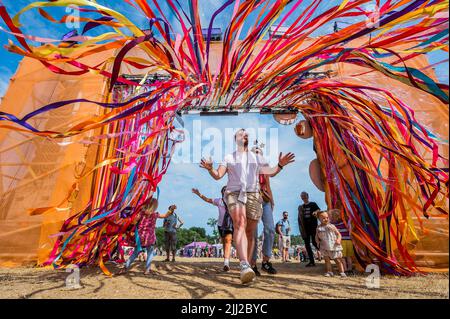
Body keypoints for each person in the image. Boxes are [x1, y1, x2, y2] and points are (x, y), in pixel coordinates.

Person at [200, 129, 295, 284]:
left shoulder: (256, 157)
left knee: (250, 232)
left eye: (246, 134)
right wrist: (210, 168)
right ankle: (243, 264)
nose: (245, 135)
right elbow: (218, 175)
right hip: (234, 193)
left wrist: (280, 165)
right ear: (235, 138)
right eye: (241, 133)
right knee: (240, 223)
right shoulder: (229, 157)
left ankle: (249, 266)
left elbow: (270, 172)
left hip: (253, 194)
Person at [118, 198, 173, 275]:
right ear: (155, 206)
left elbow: (134, 221)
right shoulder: (155, 214)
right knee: (150, 252)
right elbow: (165, 215)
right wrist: (171, 209)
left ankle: (125, 267)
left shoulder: (141, 213)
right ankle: (147, 269)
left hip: (140, 237)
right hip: (150, 237)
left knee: (135, 253)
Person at [250, 146, 278, 276]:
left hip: (265, 198)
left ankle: (266, 262)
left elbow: (268, 184)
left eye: (259, 152)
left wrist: (271, 200)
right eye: (254, 152)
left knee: (270, 229)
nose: (257, 154)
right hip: (252, 199)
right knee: (253, 233)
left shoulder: (265, 168)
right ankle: (253, 263)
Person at [192, 186, 234, 271]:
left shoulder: (233, 201)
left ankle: (226, 263)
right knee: (224, 242)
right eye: (224, 191)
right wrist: (199, 194)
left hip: (230, 224)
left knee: (228, 241)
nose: (225, 192)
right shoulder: (219, 201)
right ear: (222, 193)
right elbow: (207, 199)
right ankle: (226, 261)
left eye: (227, 191)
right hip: (220, 225)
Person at [315, 211, 346, 277]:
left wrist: (338, 240)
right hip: (324, 246)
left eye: (327, 217)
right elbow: (316, 236)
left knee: (337, 260)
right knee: (326, 260)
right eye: (323, 218)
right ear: (319, 219)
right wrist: (317, 242)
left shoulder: (332, 226)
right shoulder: (319, 228)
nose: (326, 219)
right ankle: (329, 272)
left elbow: (338, 234)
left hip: (333, 245)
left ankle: (342, 272)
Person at [298, 191, 321, 267]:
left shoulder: (313, 204)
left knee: (315, 242)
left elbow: (319, 210)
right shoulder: (301, 207)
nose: (303, 197)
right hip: (305, 228)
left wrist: (315, 212)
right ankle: (312, 261)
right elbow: (300, 218)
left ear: (308, 196)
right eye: (302, 196)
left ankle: (327, 255)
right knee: (307, 244)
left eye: (304, 195)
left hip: (313, 227)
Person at [330, 209, 354, 274]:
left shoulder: (333, 224)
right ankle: (350, 269)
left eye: (331, 216)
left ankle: (345, 269)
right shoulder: (345, 222)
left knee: (342, 257)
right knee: (349, 257)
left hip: (341, 241)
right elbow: (350, 220)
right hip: (349, 241)